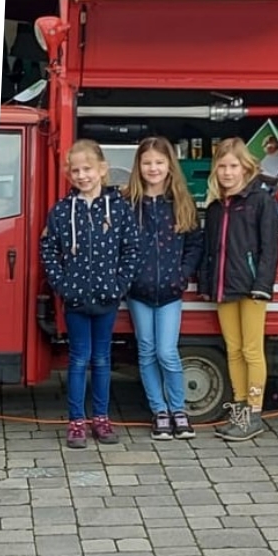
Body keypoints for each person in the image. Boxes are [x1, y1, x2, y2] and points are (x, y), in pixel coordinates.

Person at [41, 139, 141, 449]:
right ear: (68, 174)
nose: (82, 176)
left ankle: (100, 417)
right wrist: (63, 285)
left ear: (102, 169)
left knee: (101, 358)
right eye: (76, 171)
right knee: (78, 358)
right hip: (75, 300)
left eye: (87, 169)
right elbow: (48, 249)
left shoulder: (120, 208)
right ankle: (75, 420)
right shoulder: (61, 211)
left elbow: (131, 250)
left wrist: (119, 285)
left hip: (107, 299)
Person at [199, 137, 278, 442]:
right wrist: (208, 284)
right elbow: (210, 250)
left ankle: (254, 413)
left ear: (245, 167)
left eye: (233, 166)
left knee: (251, 350)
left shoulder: (260, 200)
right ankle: (239, 411)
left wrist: (263, 285)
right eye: (222, 166)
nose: (227, 172)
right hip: (224, 289)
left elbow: (270, 249)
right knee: (233, 350)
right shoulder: (217, 207)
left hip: (251, 290)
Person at [123, 137, 204, 440]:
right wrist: (128, 278)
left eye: (159, 162)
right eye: (147, 163)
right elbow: (120, 244)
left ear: (170, 165)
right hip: (138, 293)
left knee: (167, 352)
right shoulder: (128, 202)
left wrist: (182, 274)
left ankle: (178, 409)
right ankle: (159, 411)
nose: (153, 168)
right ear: (138, 166)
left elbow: (195, 244)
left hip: (170, 292)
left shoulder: (181, 201)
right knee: (146, 351)